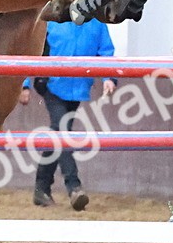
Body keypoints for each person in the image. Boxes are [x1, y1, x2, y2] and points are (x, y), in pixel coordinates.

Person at [20, 18, 116, 210]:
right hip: (50, 84)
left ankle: (42, 188)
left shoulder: (97, 22)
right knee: (63, 133)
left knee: (58, 134)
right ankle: (74, 186)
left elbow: (105, 51)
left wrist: (109, 77)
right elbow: (32, 49)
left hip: (77, 87)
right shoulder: (53, 17)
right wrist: (24, 84)